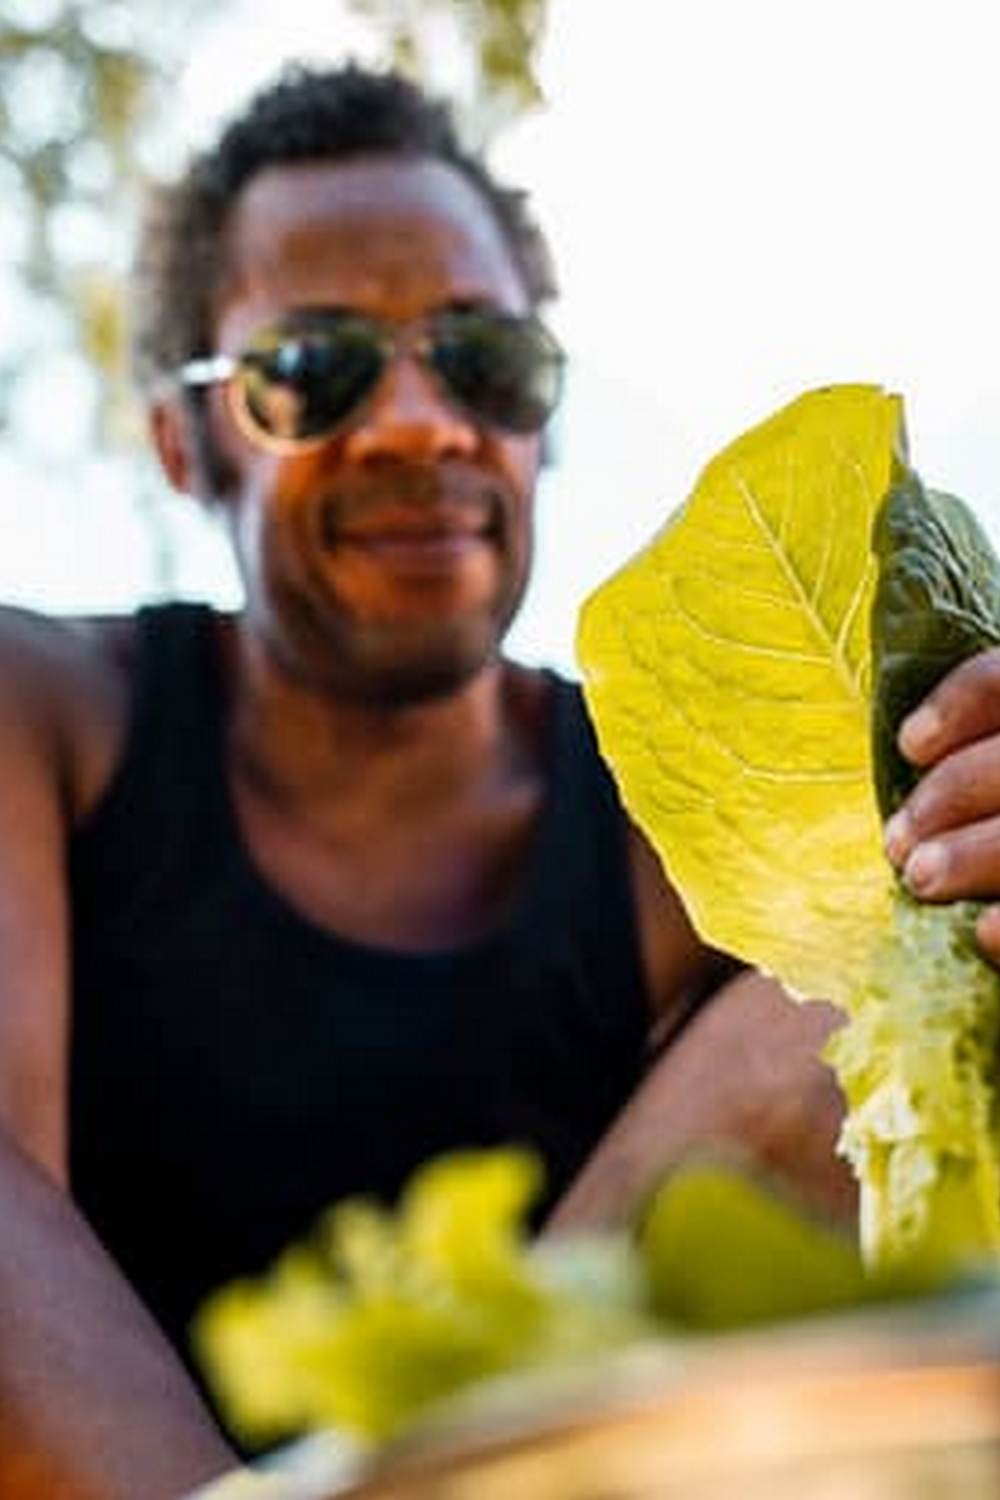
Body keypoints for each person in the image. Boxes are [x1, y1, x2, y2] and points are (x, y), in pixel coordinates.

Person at [2, 59, 1000, 1499]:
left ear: (544, 415)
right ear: (182, 443)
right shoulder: (50, 715)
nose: (420, 421)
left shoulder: (681, 828)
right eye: (314, 367)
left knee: (881, 963)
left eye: (485, 360)